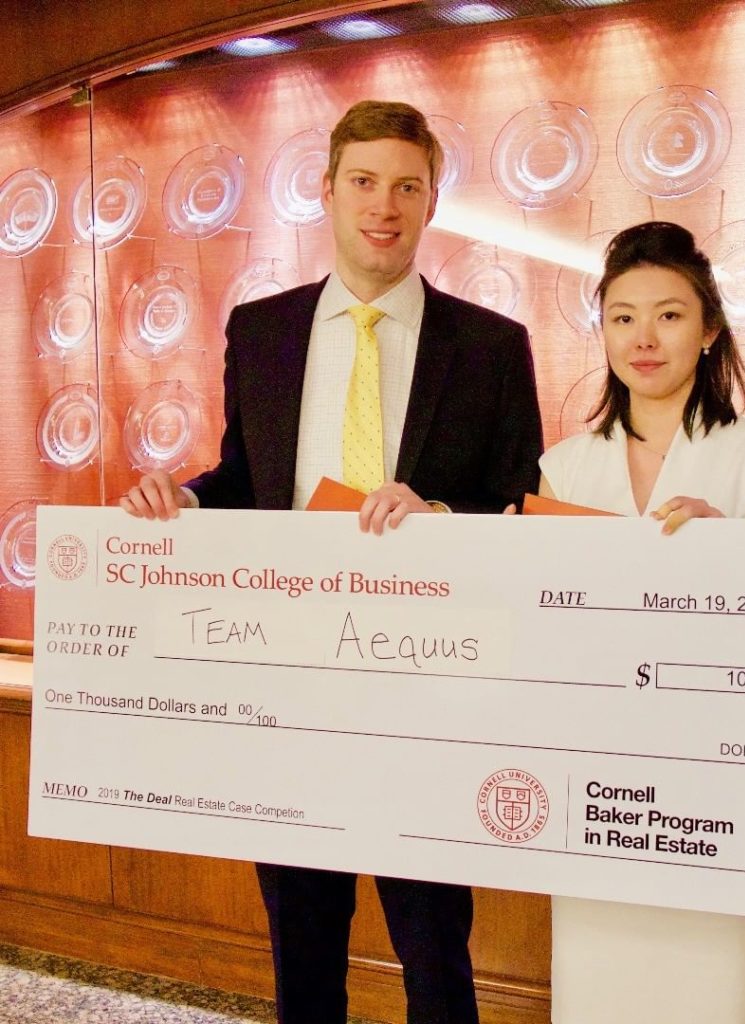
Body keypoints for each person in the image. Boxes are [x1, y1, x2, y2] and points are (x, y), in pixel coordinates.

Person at [120, 100, 544, 1024]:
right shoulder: (262, 332)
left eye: (406, 185)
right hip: (291, 685)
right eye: (363, 182)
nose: (382, 205)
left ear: (433, 200)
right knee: (301, 945)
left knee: (435, 947)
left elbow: (524, 509)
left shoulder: (491, 347)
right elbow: (246, 474)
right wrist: (183, 499)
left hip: (429, 693)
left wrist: (438, 514)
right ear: (326, 192)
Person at [538, 220, 745, 1023]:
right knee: (595, 988)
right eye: (622, 317)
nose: (643, 338)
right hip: (596, 780)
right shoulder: (562, 465)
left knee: (716, 991)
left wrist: (728, 560)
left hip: (717, 785)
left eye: (668, 314)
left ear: (710, 328)